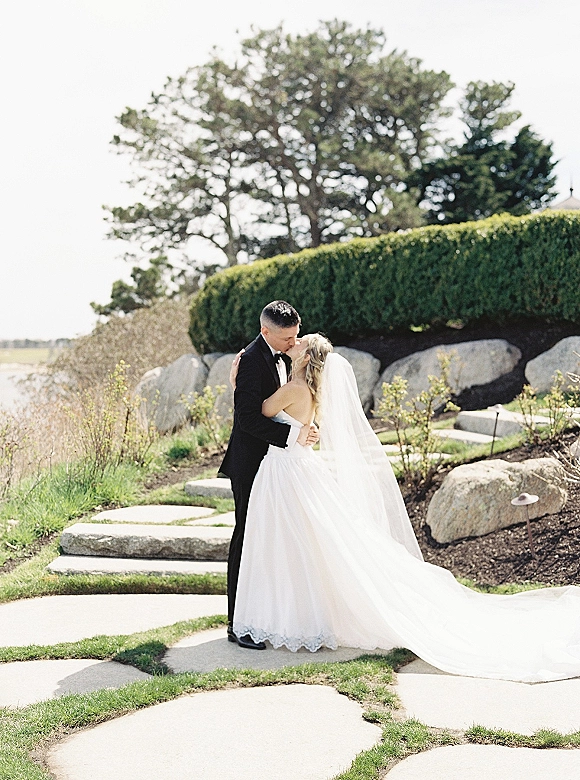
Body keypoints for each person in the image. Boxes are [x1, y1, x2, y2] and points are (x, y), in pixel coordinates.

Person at [232, 333, 580, 682]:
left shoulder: (294, 388)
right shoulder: (309, 389)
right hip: (299, 468)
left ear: (307, 357)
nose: (294, 343)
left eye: (300, 341)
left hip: (288, 471)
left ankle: (293, 616)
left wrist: (237, 383)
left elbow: (260, 411)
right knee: (311, 541)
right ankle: (298, 614)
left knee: (293, 541)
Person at [219, 301, 319, 649]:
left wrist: (306, 428)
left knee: (273, 541)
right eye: (286, 338)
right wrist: (293, 435)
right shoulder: (249, 361)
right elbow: (247, 418)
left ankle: (269, 616)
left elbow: (289, 406)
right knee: (246, 538)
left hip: (280, 465)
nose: (294, 343)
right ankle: (237, 624)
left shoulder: (288, 358)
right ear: (265, 331)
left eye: (296, 335)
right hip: (251, 463)